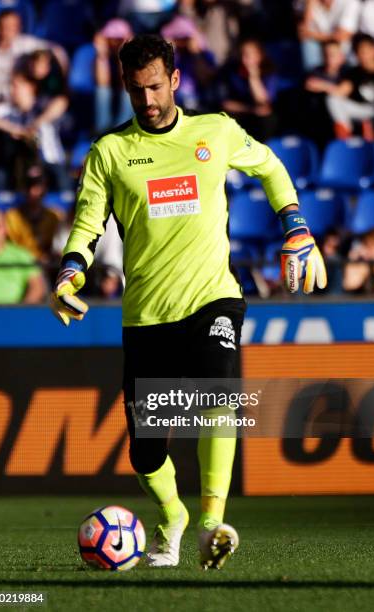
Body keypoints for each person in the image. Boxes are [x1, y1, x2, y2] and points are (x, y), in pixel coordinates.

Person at [50, 34, 326, 569]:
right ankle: (172, 516)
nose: (148, 101)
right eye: (136, 92)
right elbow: (87, 222)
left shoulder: (215, 132)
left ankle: (210, 522)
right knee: (147, 450)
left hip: (213, 296)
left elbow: (270, 166)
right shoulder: (111, 152)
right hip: (147, 314)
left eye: (155, 87)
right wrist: (70, 271)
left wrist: (295, 225)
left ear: (175, 80)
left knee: (219, 394)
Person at [0, 70, 69, 191]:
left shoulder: (42, 105)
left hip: (50, 163)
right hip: (20, 166)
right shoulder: (10, 110)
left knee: (62, 183)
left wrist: (35, 125)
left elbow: (61, 102)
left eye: (16, 86)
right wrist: (16, 130)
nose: (11, 90)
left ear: (31, 87)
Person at [0, 208, 45, 304]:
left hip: (13, 312)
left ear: (5, 229)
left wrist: (22, 310)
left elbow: (37, 287)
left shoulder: (21, 254)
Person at [325, 34, 374, 140]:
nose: (364, 56)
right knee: (332, 99)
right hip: (362, 111)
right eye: (360, 53)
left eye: (366, 51)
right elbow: (340, 91)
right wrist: (324, 86)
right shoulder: (355, 72)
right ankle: (345, 135)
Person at [218, 38, 279, 142]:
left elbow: (263, 102)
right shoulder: (231, 71)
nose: (243, 59)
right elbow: (226, 103)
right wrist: (250, 110)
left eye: (248, 55)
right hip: (241, 114)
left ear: (259, 56)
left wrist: (253, 77)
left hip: (259, 120)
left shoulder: (269, 72)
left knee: (267, 119)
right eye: (241, 54)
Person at [6, 165, 60, 263]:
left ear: (45, 188)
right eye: (29, 186)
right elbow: (10, 248)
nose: (33, 191)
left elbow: (57, 247)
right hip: (19, 265)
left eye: (38, 186)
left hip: (47, 267)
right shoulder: (12, 216)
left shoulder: (54, 216)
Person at [297, 0, 361, 70]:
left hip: (344, 49)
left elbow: (342, 36)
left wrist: (313, 35)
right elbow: (303, 34)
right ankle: (314, 74)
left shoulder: (350, 2)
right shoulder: (309, 4)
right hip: (321, 47)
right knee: (308, 43)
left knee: (337, 50)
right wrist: (310, 4)